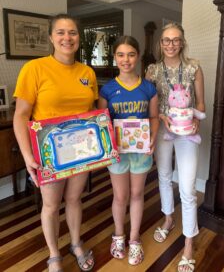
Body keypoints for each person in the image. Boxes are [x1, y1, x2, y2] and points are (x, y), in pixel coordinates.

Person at [13, 14, 97, 272]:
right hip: (48, 152)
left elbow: (92, 112)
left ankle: (75, 243)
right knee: (50, 205)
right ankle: (54, 255)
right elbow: (21, 115)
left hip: (81, 149)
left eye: (72, 32)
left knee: (74, 199)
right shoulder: (34, 68)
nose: (67, 38)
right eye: (60, 32)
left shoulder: (87, 72)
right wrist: (28, 157)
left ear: (78, 37)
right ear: (51, 37)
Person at [145, 22, 205, 272]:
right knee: (164, 177)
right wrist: (160, 117)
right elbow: (148, 106)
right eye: (166, 40)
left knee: (189, 189)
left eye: (175, 39)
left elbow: (201, 105)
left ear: (182, 42)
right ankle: (169, 218)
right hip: (162, 131)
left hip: (186, 133)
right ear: (161, 43)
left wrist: (195, 121)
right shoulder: (152, 70)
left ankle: (189, 243)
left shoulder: (193, 68)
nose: (170, 44)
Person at [98, 35, 159, 265]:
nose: (126, 60)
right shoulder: (108, 89)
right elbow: (101, 122)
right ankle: (118, 236)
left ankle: (134, 240)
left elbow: (153, 117)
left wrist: (152, 136)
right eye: (121, 55)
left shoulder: (148, 88)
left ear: (138, 56)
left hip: (141, 150)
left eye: (131, 54)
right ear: (115, 58)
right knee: (120, 196)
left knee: (136, 194)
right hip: (117, 152)